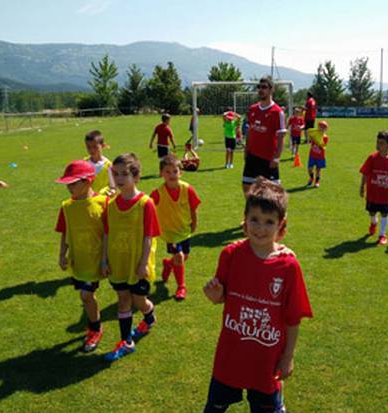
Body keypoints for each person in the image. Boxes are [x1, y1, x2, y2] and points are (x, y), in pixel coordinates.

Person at [203, 177, 313, 413]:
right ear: (245, 219)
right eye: (254, 219)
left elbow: (293, 318)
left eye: (268, 222)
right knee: (214, 407)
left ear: (280, 225)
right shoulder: (230, 254)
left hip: (266, 358)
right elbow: (222, 297)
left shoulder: (288, 265)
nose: (260, 228)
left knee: (264, 407)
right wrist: (215, 294)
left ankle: (278, 403)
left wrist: (288, 357)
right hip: (231, 353)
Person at [102, 153, 160, 361]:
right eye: (115, 174)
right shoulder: (110, 205)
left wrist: (144, 263)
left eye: (124, 174)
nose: (119, 179)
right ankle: (126, 341)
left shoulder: (146, 203)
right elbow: (107, 234)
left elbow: (148, 236)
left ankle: (149, 316)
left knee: (139, 301)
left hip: (138, 264)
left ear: (136, 177)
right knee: (123, 299)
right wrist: (104, 259)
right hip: (118, 263)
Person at [55, 160, 108, 352]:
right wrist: (62, 254)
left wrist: (105, 259)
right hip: (81, 260)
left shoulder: (103, 203)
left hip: (102, 259)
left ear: (88, 181)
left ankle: (99, 329)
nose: (69, 187)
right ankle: (95, 327)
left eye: (73, 183)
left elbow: (111, 232)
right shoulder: (67, 207)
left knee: (90, 295)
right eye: (67, 184)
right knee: (86, 296)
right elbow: (64, 231)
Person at [151, 154, 201, 300]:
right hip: (170, 232)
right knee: (179, 256)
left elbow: (193, 208)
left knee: (183, 256)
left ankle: (168, 264)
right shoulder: (157, 193)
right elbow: (147, 208)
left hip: (184, 230)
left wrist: (194, 223)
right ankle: (181, 287)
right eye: (167, 171)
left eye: (175, 171)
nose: (172, 175)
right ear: (161, 174)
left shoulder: (188, 189)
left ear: (181, 172)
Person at [242, 76, 287, 197]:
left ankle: (279, 216)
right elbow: (250, 132)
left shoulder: (277, 112)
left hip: (268, 159)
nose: (261, 90)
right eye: (259, 87)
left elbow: (281, 137)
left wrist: (277, 157)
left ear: (271, 90)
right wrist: (246, 150)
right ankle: (252, 214)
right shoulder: (252, 109)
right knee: (247, 187)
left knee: (274, 194)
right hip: (252, 156)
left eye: (264, 87)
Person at [359, 131, 388, 245]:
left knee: (385, 213)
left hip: (385, 193)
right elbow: (365, 173)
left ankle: (382, 234)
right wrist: (362, 186)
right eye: (377, 142)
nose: (378, 145)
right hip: (373, 192)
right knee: (372, 212)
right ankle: (373, 222)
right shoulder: (372, 157)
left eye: (381, 143)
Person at [83, 130, 115, 195]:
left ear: (103, 146)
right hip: (88, 201)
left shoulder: (109, 165)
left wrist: (103, 193)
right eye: (89, 147)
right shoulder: (84, 163)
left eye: (95, 147)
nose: (92, 150)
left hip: (103, 201)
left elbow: (112, 187)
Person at [306, 121, 330, 188]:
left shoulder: (325, 137)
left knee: (318, 170)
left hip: (320, 156)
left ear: (325, 129)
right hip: (312, 154)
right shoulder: (315, 134)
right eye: (320, 127)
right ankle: (311, 177)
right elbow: (310, 138)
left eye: (323, 127)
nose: (321, 129)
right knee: (309, 168)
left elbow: (323, 145)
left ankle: (317, 181)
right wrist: (311, 137)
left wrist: (317, 141)